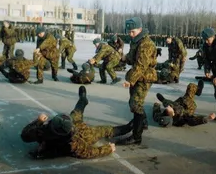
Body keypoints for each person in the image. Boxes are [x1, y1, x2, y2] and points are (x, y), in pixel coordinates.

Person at [21, 86, 133, 159]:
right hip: (82, 135)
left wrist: (39, 121)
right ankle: (129, 127)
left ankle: (83, 100)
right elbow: (89, 152)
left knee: (76, 113)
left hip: (67, 131)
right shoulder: (73, 144)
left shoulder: (43, 131)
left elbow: (25, 135)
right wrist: (108, 148)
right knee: (103, 130)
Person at [116, 17, 157, 145]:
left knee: (135, 104)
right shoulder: (136, 40)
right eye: (129, 31)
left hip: (145, 77)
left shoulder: (146, 44)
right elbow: (132, 57)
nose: (130, 34)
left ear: (140, 29)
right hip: (137, 75)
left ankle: (136, 137)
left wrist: (130, 80)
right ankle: (143, 122)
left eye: (132, 31)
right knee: (134, 103)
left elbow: (141, 65)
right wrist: (122, 58)